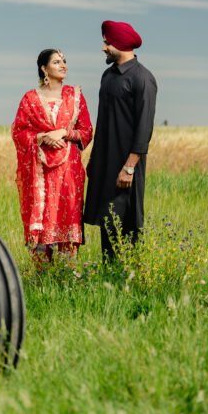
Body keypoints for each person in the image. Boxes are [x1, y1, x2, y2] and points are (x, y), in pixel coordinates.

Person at [83, 20, 158, 260]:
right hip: (105, 160)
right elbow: (103, 120)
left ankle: (129, 274)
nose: (104, 48)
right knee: (107, 218)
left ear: (121, 44)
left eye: (107, 43)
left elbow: (145, 126)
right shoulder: (107, 76)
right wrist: (94, 159)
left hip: (127, 162)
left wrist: (130, 166)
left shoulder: (143, 78)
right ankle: (109, 273)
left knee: (126, 219)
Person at [12, 49, 93, 265]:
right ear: (44, 68)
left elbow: (86, 131)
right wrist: (42, 137)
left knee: (68, 215)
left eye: (64, 61)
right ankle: (41, 276)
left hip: (69, 172)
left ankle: (67, 274)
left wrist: (64, 133)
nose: (63, 65)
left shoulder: (75, 96)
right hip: (40, 172)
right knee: (43, 218)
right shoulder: (30, 99)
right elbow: (18, 132)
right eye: (57, 62)